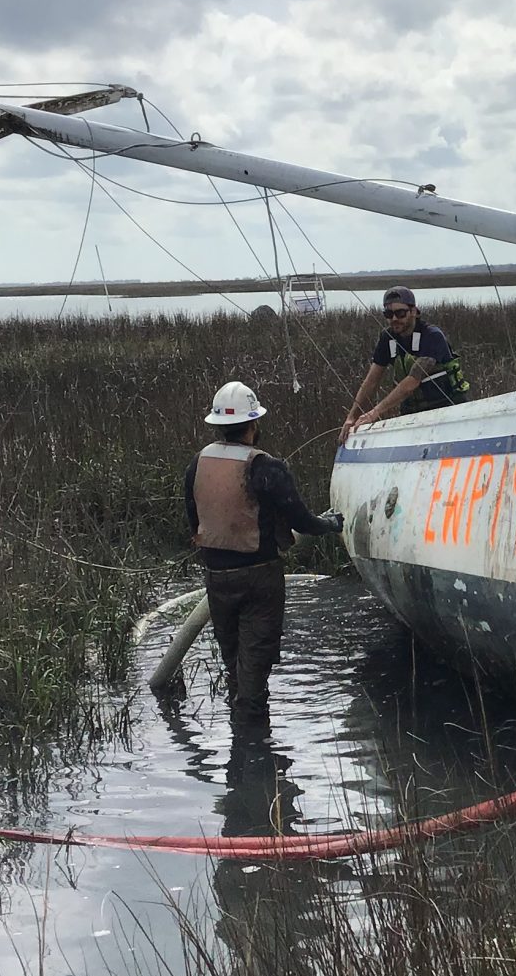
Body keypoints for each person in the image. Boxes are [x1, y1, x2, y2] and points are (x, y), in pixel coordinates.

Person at [183, 380, 342, 724]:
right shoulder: (266, 467)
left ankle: (239, 754)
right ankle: (254, 753)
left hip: (216, 579)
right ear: (253, 425)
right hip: (260, 577)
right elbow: (302, 520)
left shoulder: (197, 464)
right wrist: (330, 524)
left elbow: (194, 521)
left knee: (234, 663)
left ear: (218, 426)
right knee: (255, 666)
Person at [339, 286, 470, 440]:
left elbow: (412, 381)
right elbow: (371, 381)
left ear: (413, 311)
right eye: (389, 314)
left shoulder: (432, 336)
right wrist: (352, 417)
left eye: (400, 313)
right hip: (412, 414)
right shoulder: (387, 338)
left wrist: (375, 412)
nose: (394, 319)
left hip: (447, 410)